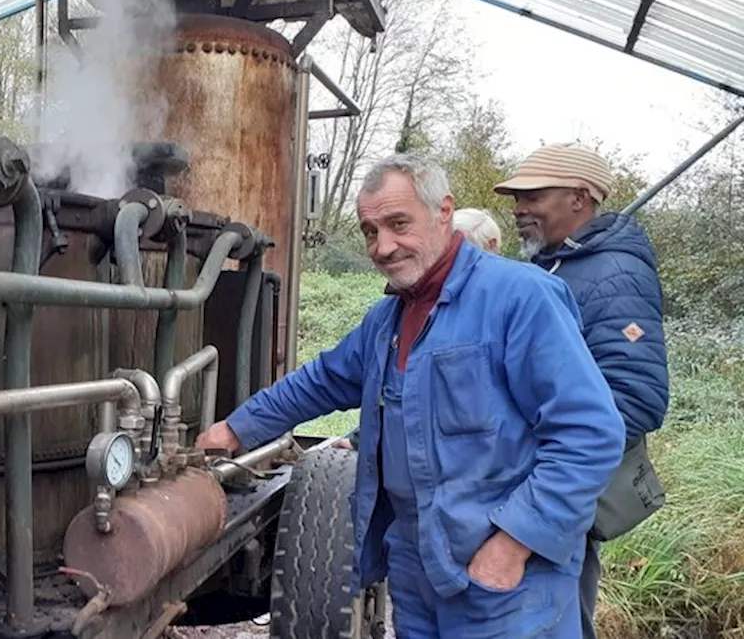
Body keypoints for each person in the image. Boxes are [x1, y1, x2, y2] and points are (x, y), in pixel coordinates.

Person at [196, 154, 626, 638]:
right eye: (369, 231)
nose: (383, 246)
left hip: (507, 580)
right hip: (417, 566)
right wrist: (234, 428)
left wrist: (513, 544)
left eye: (399, 223)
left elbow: (591, 434)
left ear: (443, 211)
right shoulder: (388, 321)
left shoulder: (520, 298)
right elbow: (321, 380)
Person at [493, 142, 670, 639]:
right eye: (516, 199)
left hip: (554, 495)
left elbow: (636, 396)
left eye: (533, 196)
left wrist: (547, 468)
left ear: (579, 198)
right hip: (528, 491)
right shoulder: (552, 266)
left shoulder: (613, 272)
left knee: (554, 621)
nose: (519, 210)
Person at [330, 206, 502, 451]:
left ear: (491, 246)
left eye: (462, 245)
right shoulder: (397, 311)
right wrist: (359, 439)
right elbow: (402, 396)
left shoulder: (511, 304)